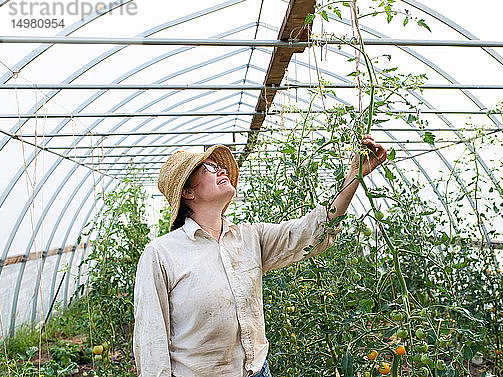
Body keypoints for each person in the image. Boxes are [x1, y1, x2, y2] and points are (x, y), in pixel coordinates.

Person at [133, 135, 387, 377]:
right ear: (188, 192)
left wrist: (355, 175)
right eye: (208, 169)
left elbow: (316, 229)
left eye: (219, 166)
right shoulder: (161, 254)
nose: (221, 170)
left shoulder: (250, 238)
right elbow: (151, 342)